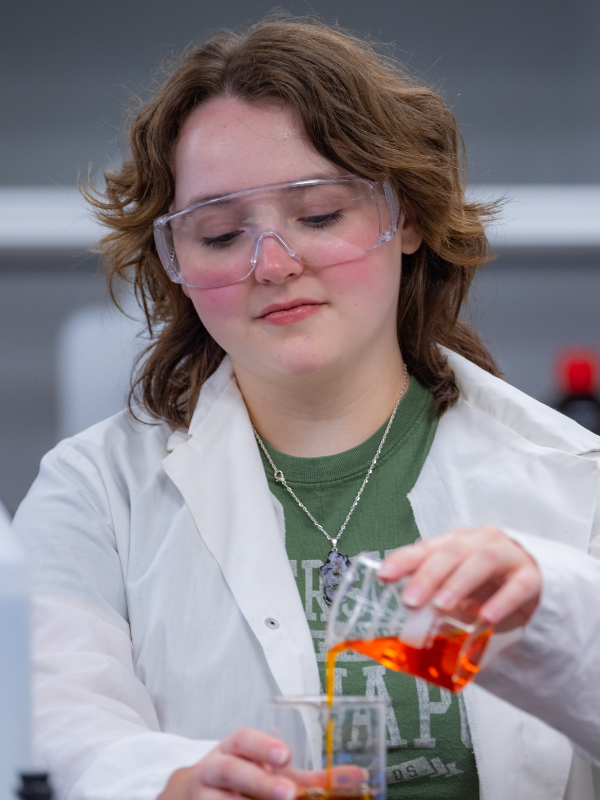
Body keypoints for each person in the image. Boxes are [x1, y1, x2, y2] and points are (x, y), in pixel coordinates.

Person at [11, 18, 600, 800]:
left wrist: (555, 606)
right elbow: (55, 722)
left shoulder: (571, 478)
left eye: (319, 215)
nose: (275, 265)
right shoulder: (92, 494)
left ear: (410, 216)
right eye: (220, 234)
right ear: (175, 262)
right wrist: (169, 784)